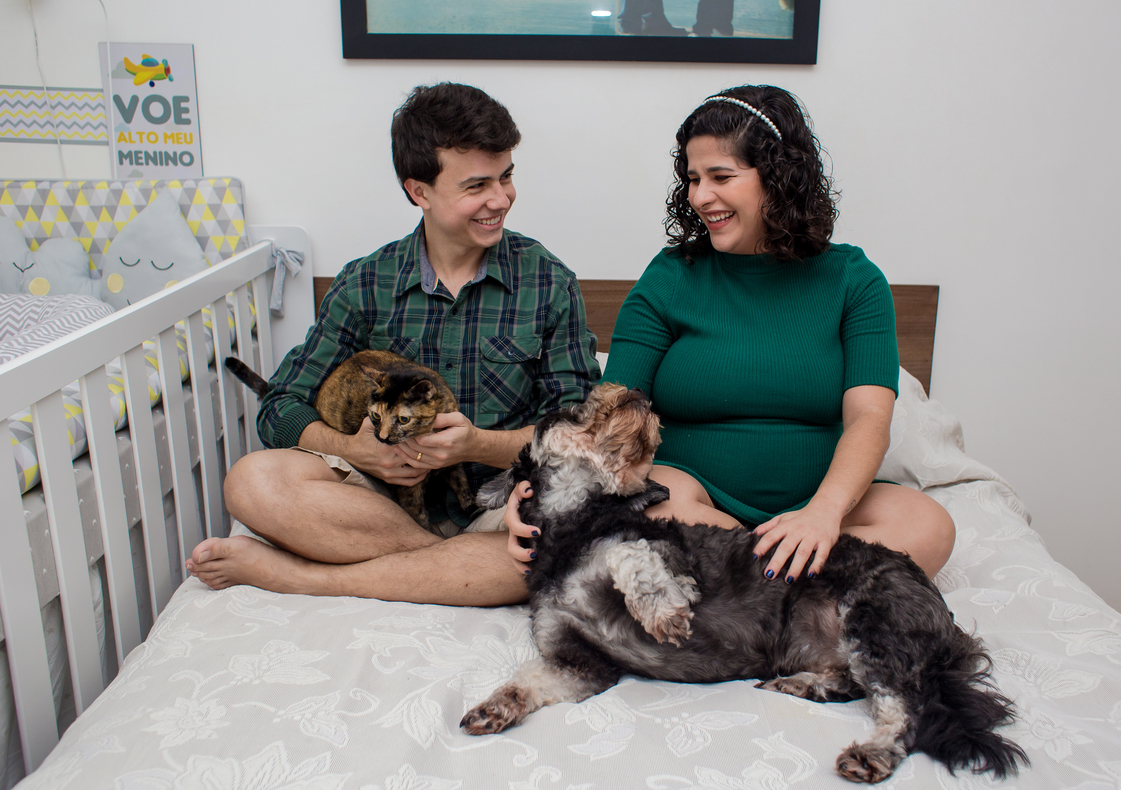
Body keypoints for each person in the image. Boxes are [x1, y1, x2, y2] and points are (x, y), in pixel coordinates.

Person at [507, 85, 955, 584]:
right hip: (692, 497)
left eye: (721, 177)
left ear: (779, 179)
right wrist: (532, 490)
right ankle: (793, 585)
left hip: (820, 503)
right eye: (694, 179)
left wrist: (823, 514)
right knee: (638, 507)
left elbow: (869, 417)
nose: (701, 196)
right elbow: (609, 413)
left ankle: (747, 581)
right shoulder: (671, 277)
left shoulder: (855, 279)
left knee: (929, 526)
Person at [186, 83, 600, 605]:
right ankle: (446, 565)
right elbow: (279, 407)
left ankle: (303, 576)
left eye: (507, 177)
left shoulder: (548, 282)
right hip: (376, 506)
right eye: (477, 186)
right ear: (419, 191)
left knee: (570, 530)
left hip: (500, 504)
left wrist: (476, 444)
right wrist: (355, 450)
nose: (500, 199)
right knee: (251, 482)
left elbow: (578, 434)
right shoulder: (365, 283)